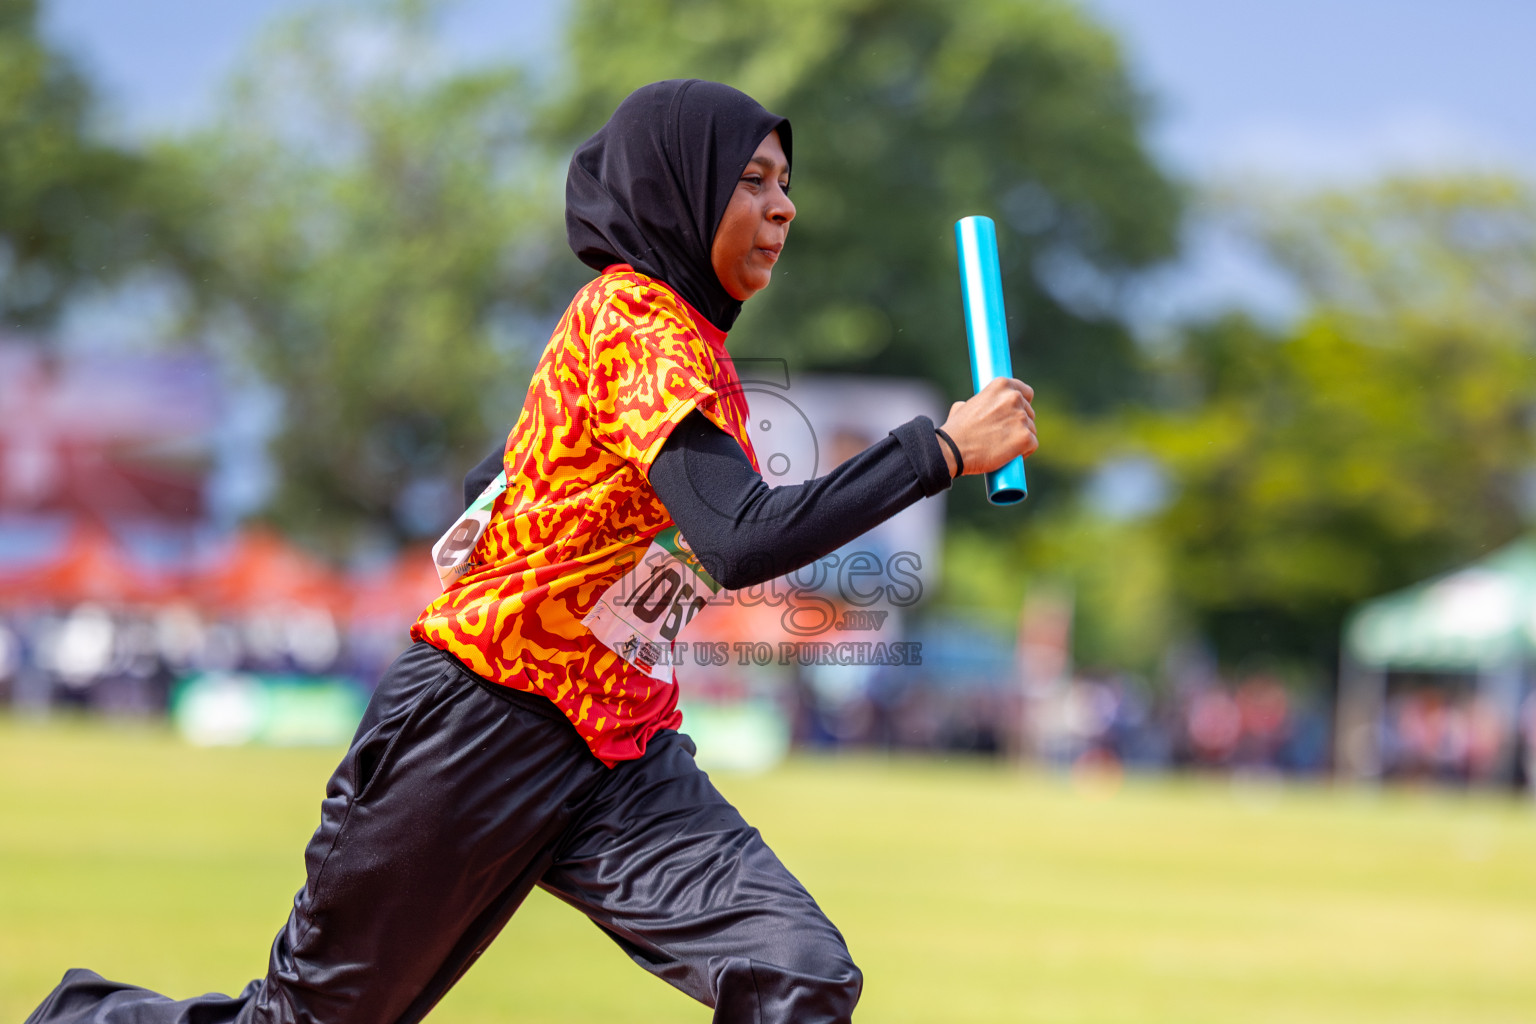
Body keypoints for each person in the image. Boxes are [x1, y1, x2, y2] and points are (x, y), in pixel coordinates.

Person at [27, 79, 1036, 1024]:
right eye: (755, 182)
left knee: (798, 972)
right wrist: (939, 450)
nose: (785, 209)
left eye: (788, 185)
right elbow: (737, 538)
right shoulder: (638, 322)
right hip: (476, 728)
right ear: (677, 192)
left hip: (618, 754)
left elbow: (498, 480)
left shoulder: (685, 351)